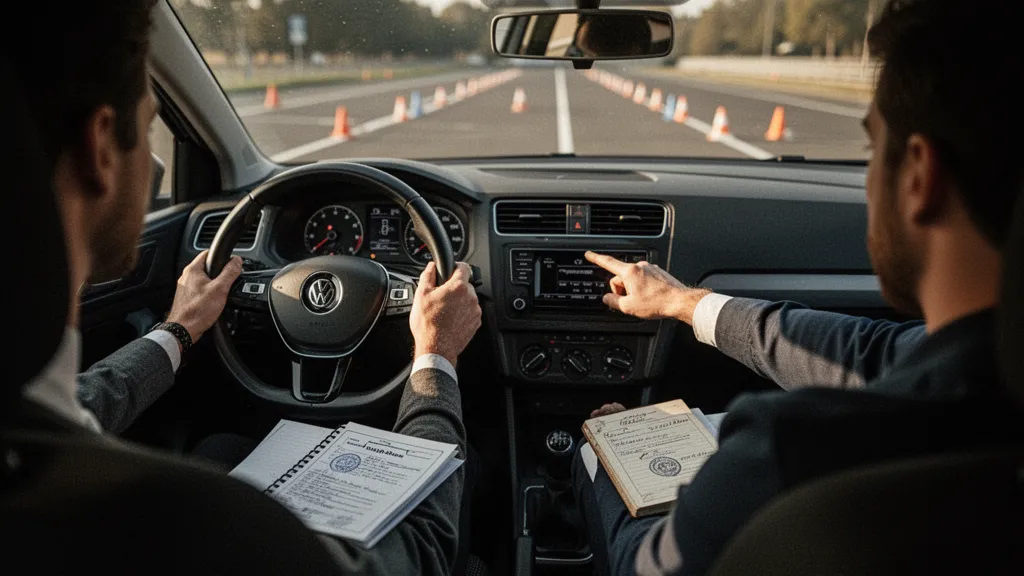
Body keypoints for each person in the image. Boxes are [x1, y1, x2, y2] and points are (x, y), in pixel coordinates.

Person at [14, 1, 482, 574]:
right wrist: (435, 356)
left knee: (217, 450)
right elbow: (420, 553)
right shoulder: (217, 533)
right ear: (102, 149)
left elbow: (89, 399)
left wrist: (179, 330)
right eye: (154, 124)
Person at [572, 1, 1024, 574]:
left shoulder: (785, 454)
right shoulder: (983, 378)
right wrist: (682, 302)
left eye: (870, 150)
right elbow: (875, 353)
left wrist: (609, 455)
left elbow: (643, 565)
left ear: (918, 176)